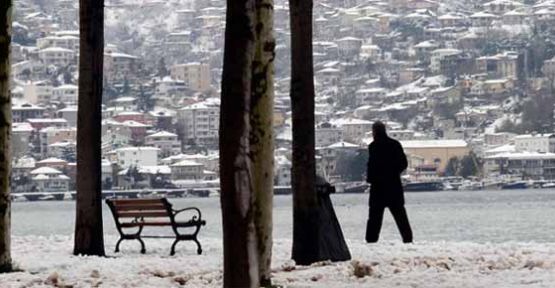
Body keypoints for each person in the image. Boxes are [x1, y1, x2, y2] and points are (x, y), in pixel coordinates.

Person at [365, 121, 413, 243]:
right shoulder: (395, 144)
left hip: (378, 188)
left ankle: (371, 240)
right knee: (400, 216)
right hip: (393, 186)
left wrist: (371, 178)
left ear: (374, 132)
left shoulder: (373, 147)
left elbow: (371, 166)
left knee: (374, 218)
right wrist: (393, 172)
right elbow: (403, 163)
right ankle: (407, 239)